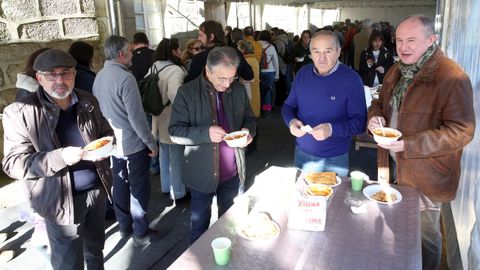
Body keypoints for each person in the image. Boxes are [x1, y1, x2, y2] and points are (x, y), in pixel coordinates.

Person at [367, 15, 475, 270]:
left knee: (426, 235)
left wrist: (409, 145)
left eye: (411, 40)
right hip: (392, 163)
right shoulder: (396, 70)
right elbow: (378, 103)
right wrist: (375, 118)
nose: (403, 47)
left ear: (431, 40)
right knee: (397, 221)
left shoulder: (452, 76)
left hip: (427, 173)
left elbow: (462, 131)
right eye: (399, 40)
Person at [2, 48, 114, 269]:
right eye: (51, 74)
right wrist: (59, 157)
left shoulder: (87, 100)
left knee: (95, 252)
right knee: (68, 263)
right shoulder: (19, 112)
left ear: (74, 73)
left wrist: (107, 142)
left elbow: (104, 131)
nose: (60, 80)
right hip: (61, 202)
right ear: (39, 78)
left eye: (65, 73)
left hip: (96, 192)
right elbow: (13, 163)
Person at [169, 46, 256, 243]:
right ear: (208, 70)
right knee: (200, 228)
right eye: (222, 78)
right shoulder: (187, 93)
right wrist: (205, 133)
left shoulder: (238, 90)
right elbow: (174, 132)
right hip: (202, 173)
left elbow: (250, 119)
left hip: (233, 171)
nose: (227, 84)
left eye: (231, 78)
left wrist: (248, 132)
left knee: (231, 225)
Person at [93, 35, 159, 247]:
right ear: (122, 55)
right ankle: (141, 231)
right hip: (132, 144)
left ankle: (124, 226)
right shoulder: (125, 78)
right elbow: (136, 117)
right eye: (130, 52)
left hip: (112, 144)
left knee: (119, 185)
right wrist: (150, 142)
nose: (132, 55)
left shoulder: (100, 76)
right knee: (139, 188)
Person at [282, 30, 367, 176]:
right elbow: (288, 107)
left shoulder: (352, 80)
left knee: (334, 198)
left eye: (328, 51)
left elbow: (360, 123)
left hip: (335, 159)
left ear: (338, 51)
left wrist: (332, 130)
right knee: (303, 197)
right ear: (310, 53)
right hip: (302, 154)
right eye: (316, 52)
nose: (321, 58)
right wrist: (291, 122)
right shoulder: (303, 74)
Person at [148, 38, 187, 200]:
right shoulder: (176, 70)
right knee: (177, 157)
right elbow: (176, 95)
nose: (180, 52)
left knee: (164, 155)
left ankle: (165, 186)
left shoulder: (154, 67)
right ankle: (178, 193)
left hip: (158, 118)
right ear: (173, 51)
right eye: (179, 49)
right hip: (173, 118)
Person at [184, 20, 253, 84]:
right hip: (231, 95)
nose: (199, 38)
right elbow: (249, 76)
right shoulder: (236, 53)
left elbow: (189, 83)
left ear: (211, 37)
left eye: (201, 35)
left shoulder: (200, 58)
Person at [258, 30, 279, 115]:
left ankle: (259, 109)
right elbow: (275, 61)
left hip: (258, 72)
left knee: (260, 91)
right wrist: (277, 74)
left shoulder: (255, 45)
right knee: (268, 92)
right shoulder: (271, 47)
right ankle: (267, 111)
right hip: (270, 72)